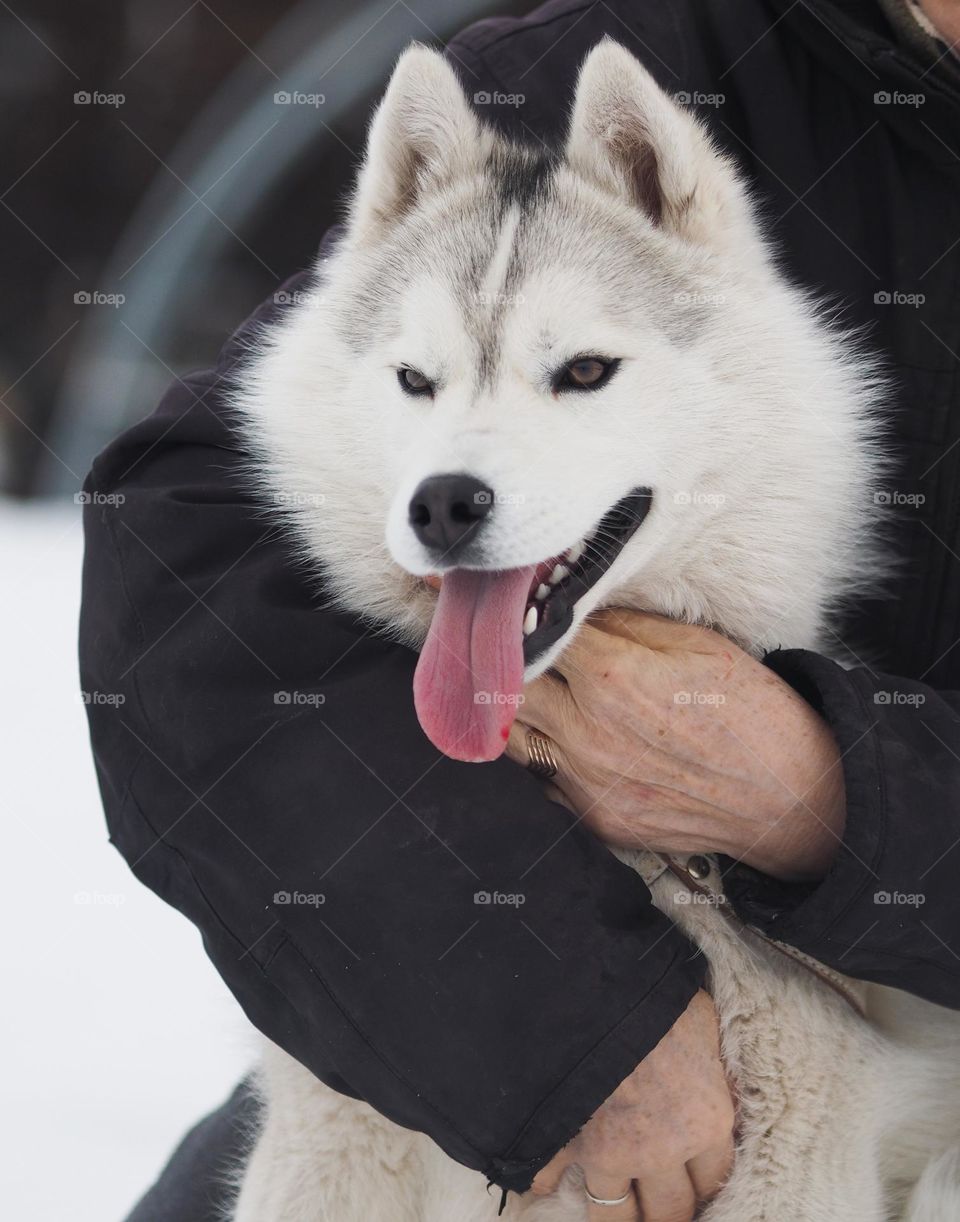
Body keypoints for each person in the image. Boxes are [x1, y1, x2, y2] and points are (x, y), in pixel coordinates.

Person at [80, 1, 960, 1219]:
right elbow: (189, 573)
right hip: (480, 1005)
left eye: (581, 373)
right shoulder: (595, 74)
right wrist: (575, 1029)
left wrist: (831, 795)